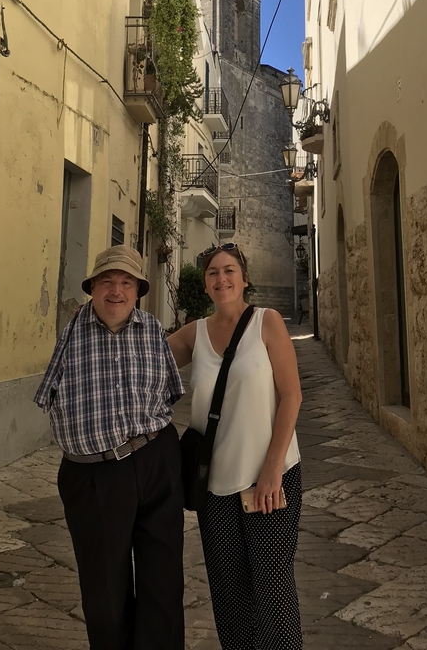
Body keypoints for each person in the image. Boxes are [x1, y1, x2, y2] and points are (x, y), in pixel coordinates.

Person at [34, 245, 185, 650]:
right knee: (105, 590)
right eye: (107, 282)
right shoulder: (72, 332)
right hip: (96, 474)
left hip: (156, 459)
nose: (116, 291)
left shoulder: (153, 329)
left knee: (163, 580)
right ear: (93, 289)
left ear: (137, 291)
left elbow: (169, 393)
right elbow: (47, 395)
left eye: (126, 283)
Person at [168, 244, 303, 650]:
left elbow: (292, 397)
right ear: (205, 284)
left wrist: (272, 470)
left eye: (229, 270)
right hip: (214, 491)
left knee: (273, 591)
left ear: (244, 278)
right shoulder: (195, 334)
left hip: (271, 481)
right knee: (229, 598)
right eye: (212, 272)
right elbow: (146, 354)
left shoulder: (268, 322)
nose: (221, 278)